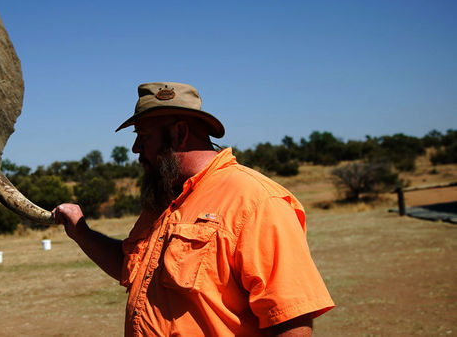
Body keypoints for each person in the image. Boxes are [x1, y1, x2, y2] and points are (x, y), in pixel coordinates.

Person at [52, 82, 334, 336]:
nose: (136, 148)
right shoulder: (165, 199)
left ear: (179, 133)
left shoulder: (257, 201)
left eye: (143, 135)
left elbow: (290, 320)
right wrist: (81, 232)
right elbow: (131, 267)